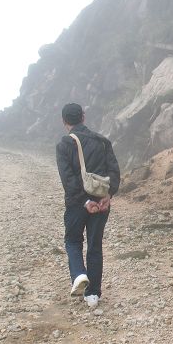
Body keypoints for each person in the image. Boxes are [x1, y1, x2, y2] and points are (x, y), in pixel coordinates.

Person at [56, 103, 120, 308]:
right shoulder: (103, 141)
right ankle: (93, 295)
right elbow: (114, 171)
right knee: (95, 245)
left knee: (73, 241)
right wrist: (108, 195)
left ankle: (79, 274)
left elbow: (68, 179)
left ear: (64, 121)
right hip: (101, 202)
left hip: (77, 204)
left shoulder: (64, 144)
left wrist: (84, 201)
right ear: (83, 117)